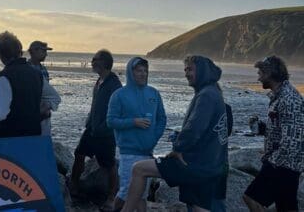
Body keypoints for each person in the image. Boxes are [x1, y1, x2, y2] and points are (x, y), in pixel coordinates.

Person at [121, 56, 228, 212]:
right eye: (185, 69)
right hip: (209, 162)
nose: (186, 73)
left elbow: (194, 129)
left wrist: (178, 147)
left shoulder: (206, 95)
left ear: (203, 71)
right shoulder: (213, 93)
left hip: (195, 163)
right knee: (196, 205)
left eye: (190, 69)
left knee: (138, 169)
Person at [243, 56, 303, 212]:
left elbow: (292, 140)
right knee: (286, 207)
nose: (258, 77)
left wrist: (271, 162)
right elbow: (286, 129)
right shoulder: (281, 96)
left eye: (261, 73)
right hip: (288, 164)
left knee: (251, 198)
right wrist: (263, 128)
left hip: (283, 165)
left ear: (270, 73)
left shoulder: (289, 99)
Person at [106, 57, 166, 212]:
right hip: (129, 153)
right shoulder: (119, 95)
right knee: (127, 191)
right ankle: (113, 209)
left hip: (147, 152)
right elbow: (111, 121)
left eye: (145, 71)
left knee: (142, 194)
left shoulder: (153, 93)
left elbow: (161, 118)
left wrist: (154, 137)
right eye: (139, 70)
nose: (143, 74)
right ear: (130, 72)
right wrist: (134, 122)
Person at [70, 49, 122, 209]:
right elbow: (95, 106)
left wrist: (107, 126)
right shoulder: (99, 80)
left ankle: (112, 196)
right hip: (91, 129)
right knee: (79, 153)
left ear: (104, 62)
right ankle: (74, 186)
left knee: (109, 163)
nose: (92, 62)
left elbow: (119, 109)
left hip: (105, 133)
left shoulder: (114, 84)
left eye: (95, 59)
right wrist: (89, 121)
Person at [0, 31, 43, 138]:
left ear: (1, 55)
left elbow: (0, 114)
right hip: (33, 135)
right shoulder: (36, 74)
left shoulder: (4, 76)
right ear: (20, 51)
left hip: (10, 138)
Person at [27, 41, 61, 136]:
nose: (46, 54)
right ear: (34, 51)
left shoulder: (43, 69)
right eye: (43, 51)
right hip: (33, 113)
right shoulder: (27, 69)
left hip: (45, 113)